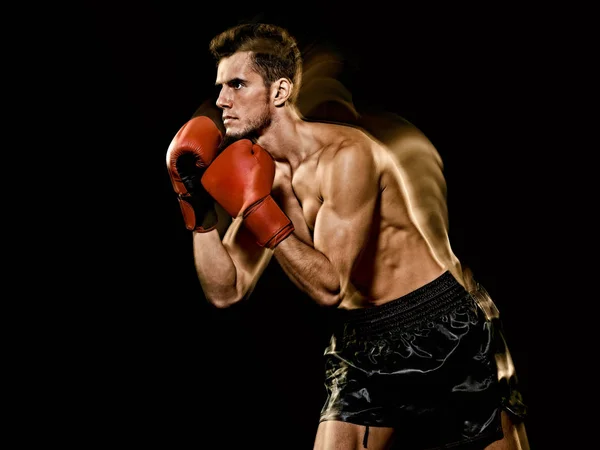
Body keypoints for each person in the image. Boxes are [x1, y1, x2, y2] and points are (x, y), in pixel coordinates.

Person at [165, 22, 529, 450]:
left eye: (237, 84)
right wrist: (196, 209)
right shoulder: (260, 174)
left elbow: (329, 286)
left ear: (280, 92)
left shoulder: (346, 156)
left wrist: (259, 210)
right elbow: (226, 290)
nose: (222, 100)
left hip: (441, 323)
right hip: (361, 340)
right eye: (220, 87)